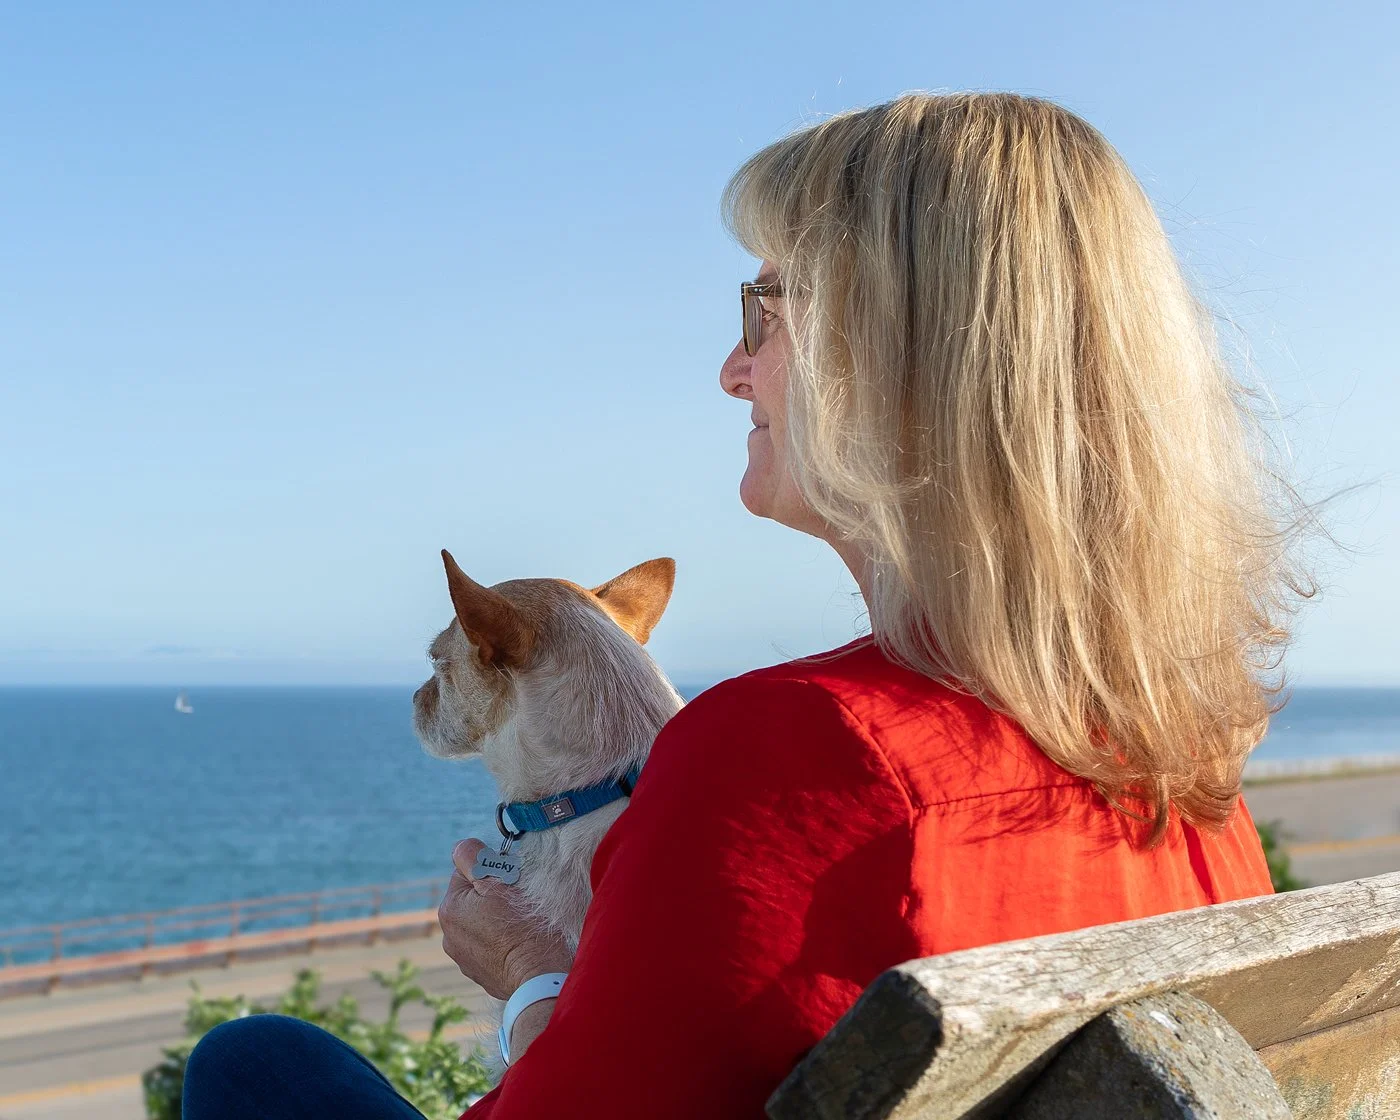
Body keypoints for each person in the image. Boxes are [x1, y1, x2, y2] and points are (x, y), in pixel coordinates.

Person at [183, 91, 1307, 1119]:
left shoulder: (801, 750)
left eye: (764, 310)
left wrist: (531, 976)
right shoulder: (1180, 775)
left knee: (252, 1065)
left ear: (895, 356)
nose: (732, 368)